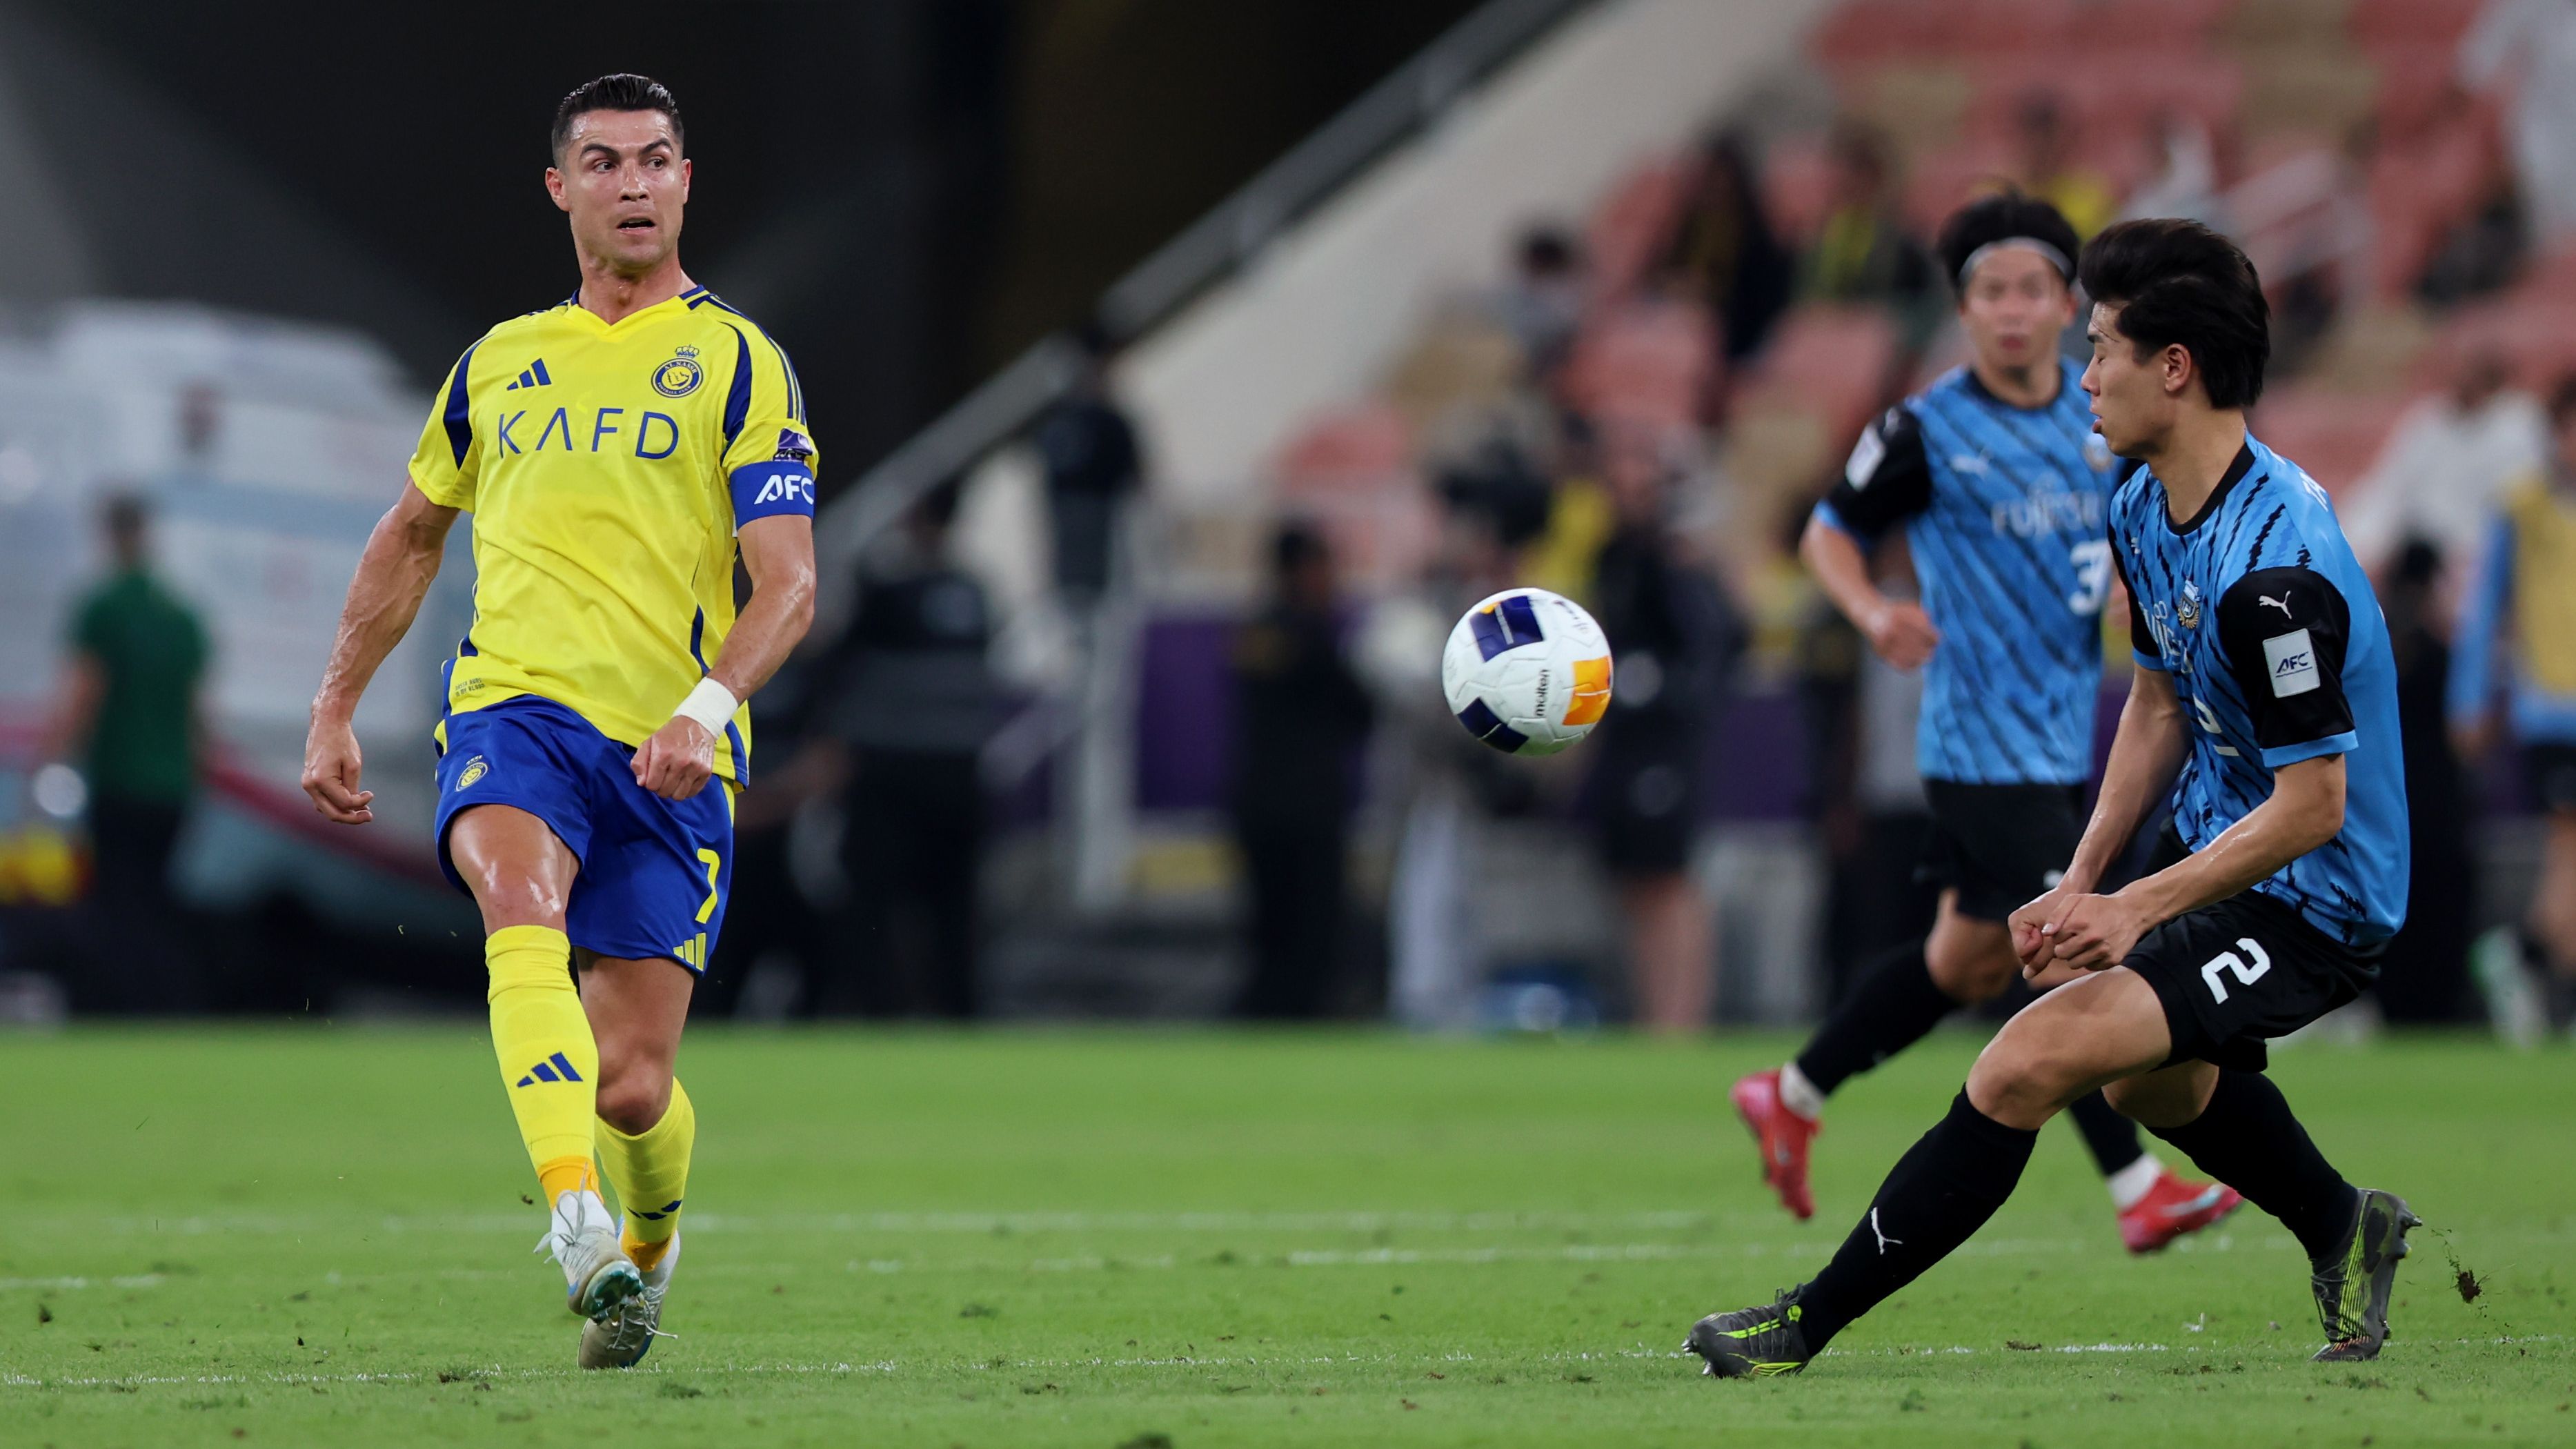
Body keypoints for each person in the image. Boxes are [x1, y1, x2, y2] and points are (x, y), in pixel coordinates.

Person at [1687, 218, 2418, 1378]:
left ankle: (1801, 1325)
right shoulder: (2138, 502)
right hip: (2219, 852)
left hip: (2318, 898)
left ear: (2171, 368)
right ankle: (2342, 1226)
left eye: (2101, 350)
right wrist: (2084, 879)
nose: (2080, 380)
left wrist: (2130, 911)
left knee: (2026, 1061)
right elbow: (2153, 702)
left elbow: (2313, 804)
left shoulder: (2272, 578)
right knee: (2137, 1075)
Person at [300, 75, 818, 1369]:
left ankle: (646, 1237)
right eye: (603, 163)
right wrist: (335, 711)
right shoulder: (498, 363)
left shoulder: (737, 360)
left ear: (686, 182)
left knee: (633, 1085)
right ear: (561, 189)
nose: (633, 183)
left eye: (654, 160)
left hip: (670, 750)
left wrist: (705, 710)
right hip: (513, 711)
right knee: (517, 907)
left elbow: (791, 580)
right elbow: (411, 534)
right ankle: (577, 1224)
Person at [1730, 194, 2237, 1252]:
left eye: (2030, 291)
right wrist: (1874, 611)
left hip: (2060, 743)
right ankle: (2136, 1185)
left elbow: (2150, 516)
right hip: (1973, 747)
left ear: (2067, 304)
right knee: (2076, 942)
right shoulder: (1924, 429)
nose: (2009, 312)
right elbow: (1829, 531)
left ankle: (1793, 1089)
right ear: (1961, 310)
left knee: (1964, 964)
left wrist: (2130, 583)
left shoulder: (2101, 416)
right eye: (1986, 293)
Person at [1581, 425, 1740, 1032]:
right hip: (1623, 743)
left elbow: (1716, 647)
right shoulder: (1612, 554)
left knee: (1670, 881)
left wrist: (1658, 688)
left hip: (1665, 745)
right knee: (1633, 882)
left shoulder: (1678, 558)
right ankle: (1654, 1015)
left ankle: (1681, 1018)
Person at [824, 481, 1002, 1018]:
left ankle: (880, 1006)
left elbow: (842, 662)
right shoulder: (976, 592)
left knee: (874, 896)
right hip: (960, 772)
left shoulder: (887, 592)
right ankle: (958, 1008)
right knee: (955, 903)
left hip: (890, 770)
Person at [48, 494, 210, 1012]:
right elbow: (197, 717)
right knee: (157, 902)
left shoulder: (105, 607)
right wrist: (196, 779)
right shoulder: (182, 616)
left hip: (121, 779)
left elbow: (85, 693)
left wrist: (51, 758)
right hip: (173, 786)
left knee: (116, 905)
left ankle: (116, 1010)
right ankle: (164, 1008)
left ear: (109, 534)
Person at [2449, 375, 2576, 1027]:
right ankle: (2523, 957)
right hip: (2552, 710)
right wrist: (2469, 700)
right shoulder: (2521, 508)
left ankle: (2520, 953)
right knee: (2567, 854)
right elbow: (2482, 612)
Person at [1227, 523, 1374, 1018]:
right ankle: (1292, 1012)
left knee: (1283, 924)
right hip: (1302, 805)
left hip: (1269, 801)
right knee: (1301, 923)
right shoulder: (1310, 636)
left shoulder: (1261, 631)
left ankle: (1281, 1011)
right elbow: (1359, 711)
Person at [2336, 348, 2545, 600]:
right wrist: (2351, 551)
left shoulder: (2519, 428)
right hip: (2418, 555)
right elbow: (2388, 488)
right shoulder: (2428, 422)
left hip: (2481, 560)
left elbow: (2520, 505)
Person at [1034, 322, 1142, 603]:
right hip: (1071, 534)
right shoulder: (1059, 420)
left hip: (1109, 532)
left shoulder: (1113, 423)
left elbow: (1137, 485)